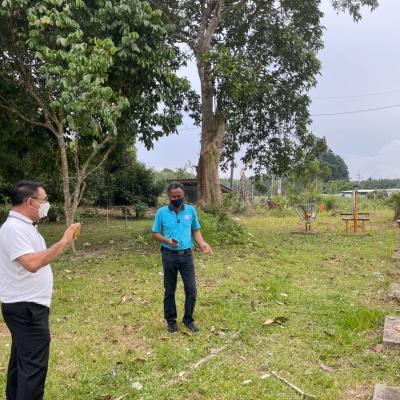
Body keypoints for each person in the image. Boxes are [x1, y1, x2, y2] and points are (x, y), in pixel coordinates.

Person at [0, 180, 80, 400]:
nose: (47, 205)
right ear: (30, 202)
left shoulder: (25, 227)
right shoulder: (13, 229)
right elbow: (32, 263)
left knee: (21, 362)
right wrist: (64, 241)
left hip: (28, 306)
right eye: (44, 200)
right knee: (33, 368)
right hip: (26, 308)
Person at [152, 181, 212, 334]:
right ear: (168, 196)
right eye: (173, 197)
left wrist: (202, 243)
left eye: (179, 195)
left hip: (186, 256)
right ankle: (171, 321)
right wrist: (167, 240)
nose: (176, 199)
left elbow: (196, 230)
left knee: (191, 290)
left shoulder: (191, 211)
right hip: (169, 255)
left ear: (183, 194)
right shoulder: (161, 213)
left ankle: (188, 320)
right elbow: (155, 233)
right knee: (170, 290)